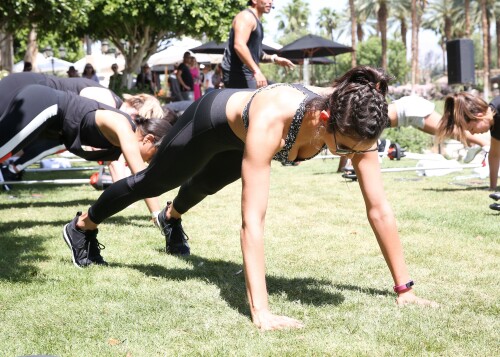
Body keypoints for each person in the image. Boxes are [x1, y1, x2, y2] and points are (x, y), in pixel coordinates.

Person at [62, 66, 436, 330]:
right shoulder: (275, 117)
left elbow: (379, 209)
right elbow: (252, 221)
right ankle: (82, 225)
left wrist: (404, 289)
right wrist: (262, 311)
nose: (352, 157)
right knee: (153, 182)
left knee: (207, 185)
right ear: (323, 119)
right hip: (211, 122)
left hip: (245, 133)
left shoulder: (355, 124)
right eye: (344, 150)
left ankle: (170, 218)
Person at [0, 74, 174, 231]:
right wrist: (158, 214)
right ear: (148, 139)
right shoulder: (124, 126)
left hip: (47, 112)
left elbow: (126, 181)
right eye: (151, 156)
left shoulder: (120, 141)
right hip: (42, 102)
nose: (146, 161)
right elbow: (142, 178)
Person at [0, 72, 165, 186]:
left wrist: (121, 191)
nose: (135, 126)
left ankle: (13, 168)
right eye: (139, 119)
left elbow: (113, 160)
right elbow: (80, 112)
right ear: (135, 106)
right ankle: (12, 169)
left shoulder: (114, 112)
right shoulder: (107, 100)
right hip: (25, 90)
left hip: (36, 103)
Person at [338, 95, 492, 173]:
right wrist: (343, 167)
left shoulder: (359, 122)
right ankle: (477, 144)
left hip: (413, 110)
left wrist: (344, 166)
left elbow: (351, 141)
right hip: (410, 113)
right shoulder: (357, 123)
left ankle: (483, 144)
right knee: (448, 131)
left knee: (448, 130)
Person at [221, 0, 295, 89]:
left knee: (281, 90)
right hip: (237, 75)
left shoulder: (256, 21)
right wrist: (257, 71)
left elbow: (257, 54)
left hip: (248, 75)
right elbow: (239, 45)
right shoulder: (246, 17)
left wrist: (274, 58)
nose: (270, 2)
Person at [438, 92, 499, 191]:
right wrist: (492, 187)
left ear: (479, 116)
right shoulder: (495, 122)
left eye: (471, 128)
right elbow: (494, 155)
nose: (473, 134)